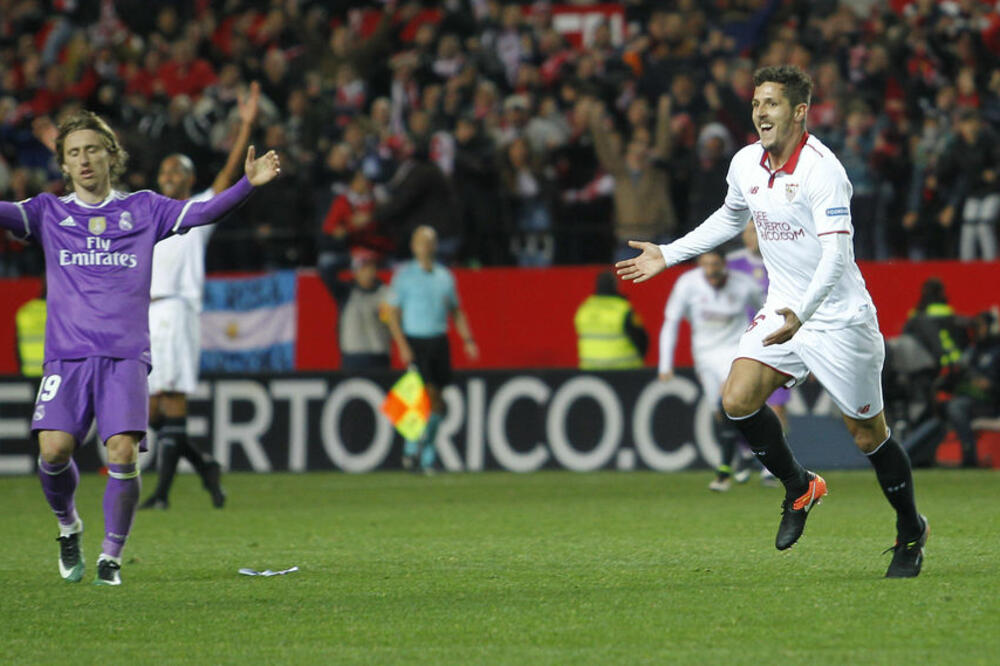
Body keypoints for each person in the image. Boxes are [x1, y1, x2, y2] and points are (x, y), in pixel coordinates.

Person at [616, 65, 928, 578]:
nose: (760, 112)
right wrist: (670, 254)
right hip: (783, 306)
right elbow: (730, 215)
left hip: (837, 317)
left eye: (772, 104)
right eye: (757, 103)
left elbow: (836, 257)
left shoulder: (824, 172)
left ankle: (911, 530)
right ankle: (800, 486)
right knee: (737, 400)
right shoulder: (745, 163)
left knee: (868, 436)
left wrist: (804, 314)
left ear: (800, 112)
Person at [0, 110, 280, 586]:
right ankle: (68, 526)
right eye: (74, 153)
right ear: (63, 165)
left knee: (123, 453)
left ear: (111, 155)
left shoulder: (145, 209)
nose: (84, 160)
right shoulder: (47, 212)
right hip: (66, 357)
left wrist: (247, 185)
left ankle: (110, 557)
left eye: (92, 149)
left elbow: (204, 213)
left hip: (124, 356)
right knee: (53, 451)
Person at [139, 82, 261, 511]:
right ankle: (205, 465)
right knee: (151, 413)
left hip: (177, 310)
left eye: (177, 171)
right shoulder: (147, 217)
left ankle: (161, 495)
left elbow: (228, 178)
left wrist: (245, 126)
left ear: (190, 180)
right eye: (164, 171)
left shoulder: (197, 214)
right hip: (147, 315)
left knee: (172, 400)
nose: (168, 177)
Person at [659, 250, 763, 491]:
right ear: (699, 265)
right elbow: (671, 321)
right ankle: (745, 452)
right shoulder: (687, 285)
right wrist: (665, 364)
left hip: (735, 352)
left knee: (726, 402)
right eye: (705, 265)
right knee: (719, 412)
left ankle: (723, 472)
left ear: (724, 264)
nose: (711, 270)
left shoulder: (744, 284)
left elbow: (766, 310)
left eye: (715, 264)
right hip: (704, 355)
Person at [385, 226, 478, 473]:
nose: (425, 247)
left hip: (439, 341)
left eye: (429, 242)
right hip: (416, 340)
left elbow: (456, 310)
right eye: (421, 242)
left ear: (435, 246)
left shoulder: (445, 277)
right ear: (414, 247)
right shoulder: (404, 276)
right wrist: (402, 345)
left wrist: (468, 340)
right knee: (423, 396)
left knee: (438, 403)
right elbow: (392, 314)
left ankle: (424, 454)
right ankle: (414, 450)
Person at [727, 222, 788, 485]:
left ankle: (772, 464)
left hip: (779, 341)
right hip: (742, 344)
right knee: (736, 402)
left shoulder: (784, 258)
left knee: (777, 405)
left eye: (756, 230)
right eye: (748, 231)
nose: (752, 236)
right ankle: (745, 451)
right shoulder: (731, 264)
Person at [327, 250, 393, 372]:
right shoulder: (346, 292)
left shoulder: (385, 293)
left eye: (371, 268)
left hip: (379, 354)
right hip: (353, 355)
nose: (368, 273)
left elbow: (393, 322)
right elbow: (326, 270)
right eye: (363, 268)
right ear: (355, 272)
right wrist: (349, 258)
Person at [575, 272, 648, 370]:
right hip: (623, 368)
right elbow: (640, 338)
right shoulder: (622, 308)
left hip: (591, 368)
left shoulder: (585, 308)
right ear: (616, 285)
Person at [15, 281, 46, 378]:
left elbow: (17, 343)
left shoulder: (26, 311)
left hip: (30, 371)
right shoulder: (60, 311)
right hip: (53, 370)